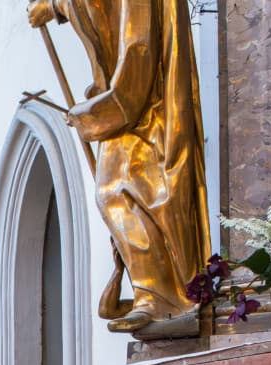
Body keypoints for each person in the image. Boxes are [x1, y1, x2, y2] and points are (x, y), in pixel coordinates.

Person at [27, 0, 209, 333]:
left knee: (123, 191)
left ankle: (160, 296)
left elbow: (138, 46)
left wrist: (96, 114)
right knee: (116, 192)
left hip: (144, 104)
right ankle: (153, 293)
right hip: (129, 104)